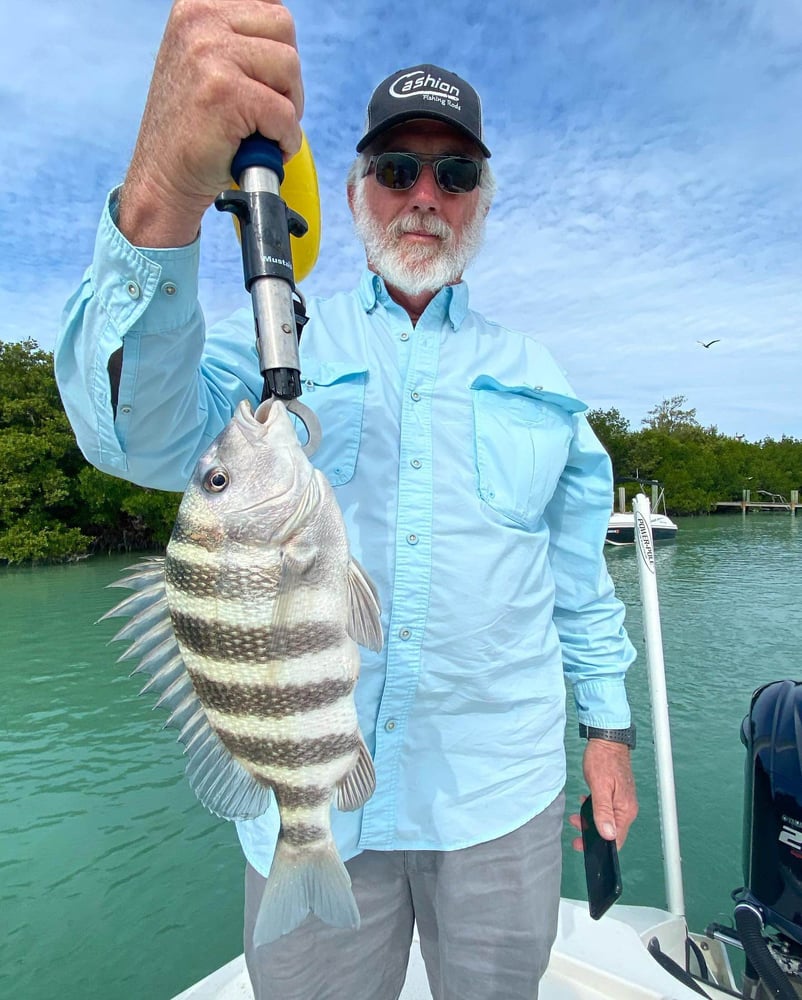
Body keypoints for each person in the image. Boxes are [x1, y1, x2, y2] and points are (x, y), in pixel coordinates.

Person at [55, 3, 638, 998]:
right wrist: (162, 190)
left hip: (497, 798)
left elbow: (577, 582)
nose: (424, 195)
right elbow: (132, 432)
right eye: (395, 169)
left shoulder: (540, 377)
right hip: (309, 795)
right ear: (359, 189)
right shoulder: (271, 347)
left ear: (482, 198)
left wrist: (608, 735)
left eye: (454, 174)